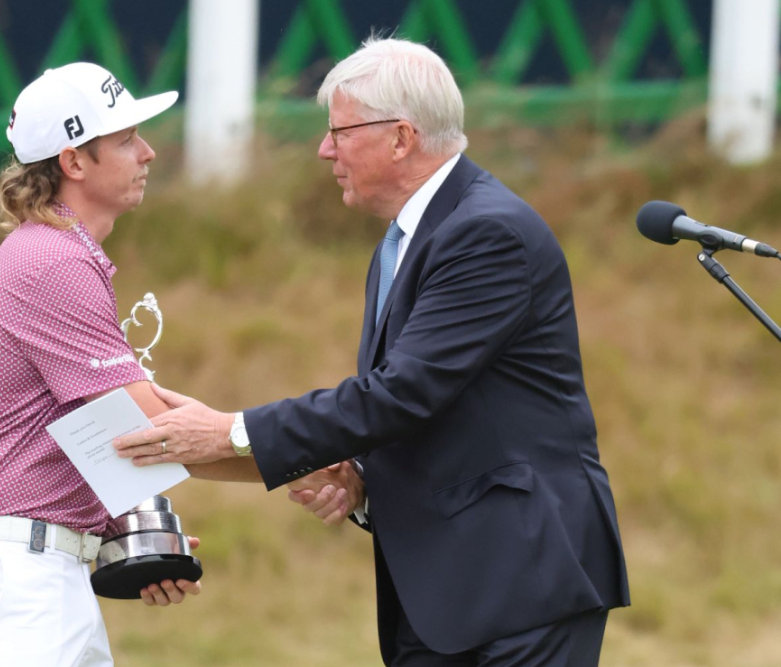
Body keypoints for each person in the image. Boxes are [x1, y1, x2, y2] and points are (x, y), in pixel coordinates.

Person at [114, 38, 631, 666]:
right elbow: (429, 404)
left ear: (401, 137)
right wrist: (360, 478)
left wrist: (233, 432)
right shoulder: (411, 237)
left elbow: (403, 393)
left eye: (339, 131)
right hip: (449, 593)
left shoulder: (485, 233)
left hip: (520, 583)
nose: (325, 148)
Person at [0, 62, 263, 667]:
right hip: (15, 586)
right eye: (126, 139)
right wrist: (298, 459)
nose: (148, 152)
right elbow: (152, 430)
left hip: (29, 576)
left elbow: (123, 437)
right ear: (74, 162)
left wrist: (130, 535)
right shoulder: (54, 263)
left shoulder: (51, 252)